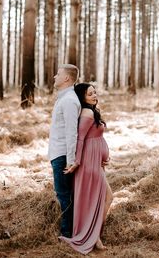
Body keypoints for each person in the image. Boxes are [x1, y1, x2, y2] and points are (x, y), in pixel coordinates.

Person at [60, 83, 113, 255]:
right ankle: (93, 235)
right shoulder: (87, 112)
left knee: (99, 199)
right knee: (106, 197)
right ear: (82, 97)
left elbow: (95, 138)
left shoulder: (91, 111)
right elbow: (81, 138)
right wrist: (76, 161)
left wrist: (104, 156)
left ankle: (95, 235)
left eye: (95, 92)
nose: (94, 95)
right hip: (89, 163)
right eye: (90, 94)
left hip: (95, 161)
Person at [48, 64, 81, 238]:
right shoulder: (64, 98)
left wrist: (70, 160)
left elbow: (71, 133)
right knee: (63, 194)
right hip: (58, 154)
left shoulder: (69, 100)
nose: (55, 76)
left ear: (67, 78)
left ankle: (67, 233)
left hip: (62, 156)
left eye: (58, 74)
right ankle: (69, 230)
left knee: (64, 196)